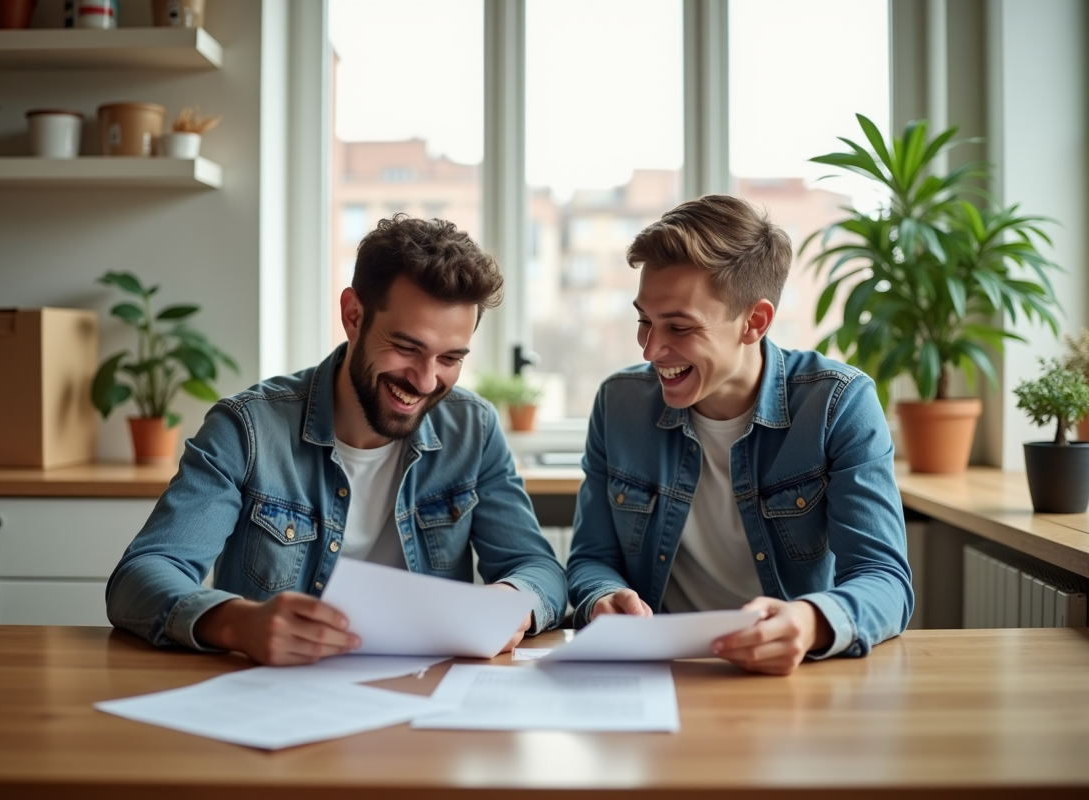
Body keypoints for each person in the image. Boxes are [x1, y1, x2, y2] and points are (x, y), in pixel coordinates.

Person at [107, 214, 567, 665]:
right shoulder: (248, 429)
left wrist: (511, 599)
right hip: (277, 703)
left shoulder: (474, 429)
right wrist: (237, 623)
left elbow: (539, 570)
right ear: (353, 315)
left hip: (424, 700)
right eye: (407, 348)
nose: (426, 381)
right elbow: (141, 576)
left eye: (450, 357)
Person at [565, 195, 913, 676]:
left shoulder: (837, 404)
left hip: (786, 677)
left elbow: (885, 578)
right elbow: (592, 557)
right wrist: (601, 595)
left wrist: (811, 622)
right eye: (644, 320)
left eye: (679, 327)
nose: (651, 349)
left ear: (755, 322)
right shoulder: (618, 403)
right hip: (659, 673)